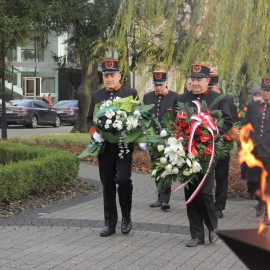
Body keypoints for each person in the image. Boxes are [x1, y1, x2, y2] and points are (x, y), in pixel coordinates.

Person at [178, 64, 233, 247]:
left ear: (207, 81)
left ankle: (212, 227)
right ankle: (196, 234)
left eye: (198, 79)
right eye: (192, 79)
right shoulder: (182, 99)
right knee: (190, 191)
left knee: (205, 191)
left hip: (208, 151)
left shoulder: (218, 99)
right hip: (186, 152)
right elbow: (173, 122)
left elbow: (228, 121)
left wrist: (212, 132)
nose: (194, 83)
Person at [87, 59, 138, 237]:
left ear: (119, 76)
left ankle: (126, 216)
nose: (109, 79)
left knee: (123, 181)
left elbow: (137, 118)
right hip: (105, 149)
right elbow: (89, 119)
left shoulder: (130, 93)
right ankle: (110, 223)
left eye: (112, 75)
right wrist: (94, 134)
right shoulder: (97, 96)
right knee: (107, 184)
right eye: (106, 76)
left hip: (123, 147)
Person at [142, 70, 180, 210]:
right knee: (156, 169)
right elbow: (144, 117)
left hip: (168, 140)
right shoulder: (147, 97)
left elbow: (178, 119)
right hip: (153, 139)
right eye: (156, 84)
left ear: (166, 83)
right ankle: (159, 197)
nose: (158, 87)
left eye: (160, 84)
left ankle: (165, 199)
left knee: (167, 168)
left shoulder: (175, 97)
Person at [208, 72, 238, 219]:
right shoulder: (204, 99)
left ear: (216, 85)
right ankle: (205, 203)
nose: (209, 89)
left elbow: (232, 120)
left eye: (211, 86)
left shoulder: (226, 99)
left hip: (222, 144)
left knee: (221, 176)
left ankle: (219, 206)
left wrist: (226, 135)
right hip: (205, 144)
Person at [242, 77, 270, 224]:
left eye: (269, 91)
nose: (266, 93)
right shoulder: (252, 106)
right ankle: (260, 202)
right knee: (255, 182)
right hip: (254, 152)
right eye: (264, 90)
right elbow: (246, 124)